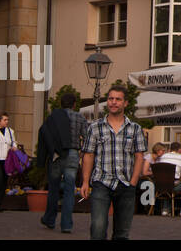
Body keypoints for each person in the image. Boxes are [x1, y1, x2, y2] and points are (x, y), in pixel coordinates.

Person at [79, 86, 147, 240]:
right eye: (111, 99)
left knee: (122, 233)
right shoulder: (95, 127)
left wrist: (134, 182)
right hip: (101, 182)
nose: (113, 102)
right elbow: (88, 155)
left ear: (125, 103)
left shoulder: (135, 129)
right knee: (98, 227)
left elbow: (139, 156)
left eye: (118, 99)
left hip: (126, 184)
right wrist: (85, 182)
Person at [39, 91, 87, 234]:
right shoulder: (79, 117)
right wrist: (81, 152)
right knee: (69, 190)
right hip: (72, 154)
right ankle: (66, 225)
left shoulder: (53, 117)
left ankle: (50, 219)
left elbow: (45, 133)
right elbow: (86, 136)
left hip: (57, 154)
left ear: (61, 104)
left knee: (53, 188)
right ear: (74, 104)